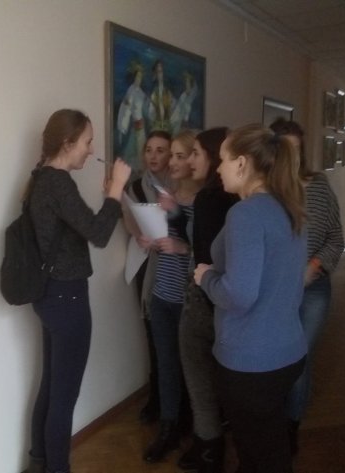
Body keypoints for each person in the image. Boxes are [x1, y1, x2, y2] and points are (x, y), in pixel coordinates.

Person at [22, 109, 131, 473]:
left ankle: (39, 462)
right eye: (87, 141)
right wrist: (115, 192)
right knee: (64, 396)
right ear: (67, 143)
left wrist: (109, 199)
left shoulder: (40, 177)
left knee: (52, 386)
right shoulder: (58, 182)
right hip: (66, 298)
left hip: (49, 296)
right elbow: (99, 234)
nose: (91, 149)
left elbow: (85, 226)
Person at [194, 124, 307, 473]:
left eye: (223, 160)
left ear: (242, 163)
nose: (218, 168)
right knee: (267, 450)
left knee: (260, 455)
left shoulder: (246, 214)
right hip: (287, 352)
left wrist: (205, 277)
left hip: (252, 361)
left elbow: (239, 295)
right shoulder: (288, 206)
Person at [270, 118, 344, 455]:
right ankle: (275, 419)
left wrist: (313, 267)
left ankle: (291, 425)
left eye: (297, 150)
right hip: (275, 292)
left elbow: (336, 238)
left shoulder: (318, 186)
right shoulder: (265, 192)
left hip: (313, 290)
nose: (293, 157)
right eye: (285, 149)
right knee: (276, 357)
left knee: (299, 358)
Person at [177, 127, 239, 473]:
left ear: (216, 158)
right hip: (230, 304)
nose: (191, 160)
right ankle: (208, 446)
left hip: (205, 298)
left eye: (196, 153)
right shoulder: (241, 200)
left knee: (200, 383)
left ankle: (208, 451)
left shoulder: (207, 200)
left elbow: (203, 257)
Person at [143, 129, 201, 463]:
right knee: (166, 365)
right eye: (173, 155)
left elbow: (211, 253)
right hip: (162, 294)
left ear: (195, 159)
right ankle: (168, 429)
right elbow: (163, 238)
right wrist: (152, 242)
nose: (172, 162)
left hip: (188, 300)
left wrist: (182, 247)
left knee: (192, 369)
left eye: (180, 156)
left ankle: (199, 433)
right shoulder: (168, 195)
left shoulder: (205, 200)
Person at [122, 130, 173, 425]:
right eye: (149, 150)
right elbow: (131, 223)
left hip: (175, 264)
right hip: (147, 265)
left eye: (161, 150)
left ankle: (177, 400)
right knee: (153, 334)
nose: (153, 156)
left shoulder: (179, 185)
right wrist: (139, 236)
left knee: (175, 337)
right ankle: (157, 397)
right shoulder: (135, 187)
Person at [116, 61, 148, 172]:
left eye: (141, 77)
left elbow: (146, 109)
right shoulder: (131, 90)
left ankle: (141, 173)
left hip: (141, 126)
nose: (139, 79)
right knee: (131, 152)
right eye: (137, 76)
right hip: (135, 126)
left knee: (141, 151)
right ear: (134, 77)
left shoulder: (141, 93)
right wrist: (122, 129)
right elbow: (126, 110)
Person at [147, 60, 175, 133]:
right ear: (155, 74)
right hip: (157, 127)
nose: (160, 74)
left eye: (161, 71)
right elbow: (151, 113)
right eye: (158, 72)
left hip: (167, 127)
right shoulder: (154, 93)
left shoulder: (168, 92)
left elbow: (172, 108)